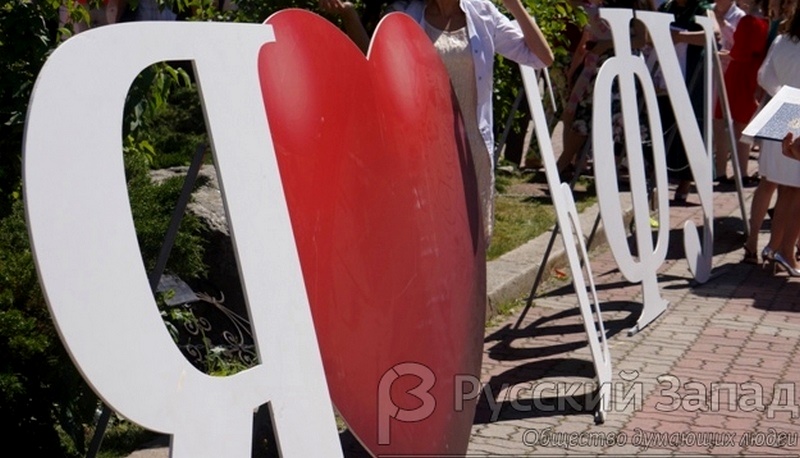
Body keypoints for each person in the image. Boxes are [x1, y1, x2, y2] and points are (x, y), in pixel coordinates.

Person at [319, 0, 554, 242]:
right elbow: (376, 66)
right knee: (429, 239)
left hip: (472, 150)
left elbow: (541, 57)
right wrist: (349, 15)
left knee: (471, 242)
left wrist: (514, 6)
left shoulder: (482, 12)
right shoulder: (405, 15)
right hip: (424, 150)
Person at [741, 0, 797, 264]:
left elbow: (763, 76)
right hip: (795, 112)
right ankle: (783, 248)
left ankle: (754, 241)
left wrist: (783, 93)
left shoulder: (782, 41)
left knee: (770, 181)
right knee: (792, 188)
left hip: (781, 108)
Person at [712, 0, 768, 185]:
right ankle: (741, 172)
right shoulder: (765, 22)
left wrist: (720, 54)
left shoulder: (748, 21)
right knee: (742, 127)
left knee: (726, 124)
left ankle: (724, 171)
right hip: (751, 74)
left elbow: (739, 52)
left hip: (738, 74)